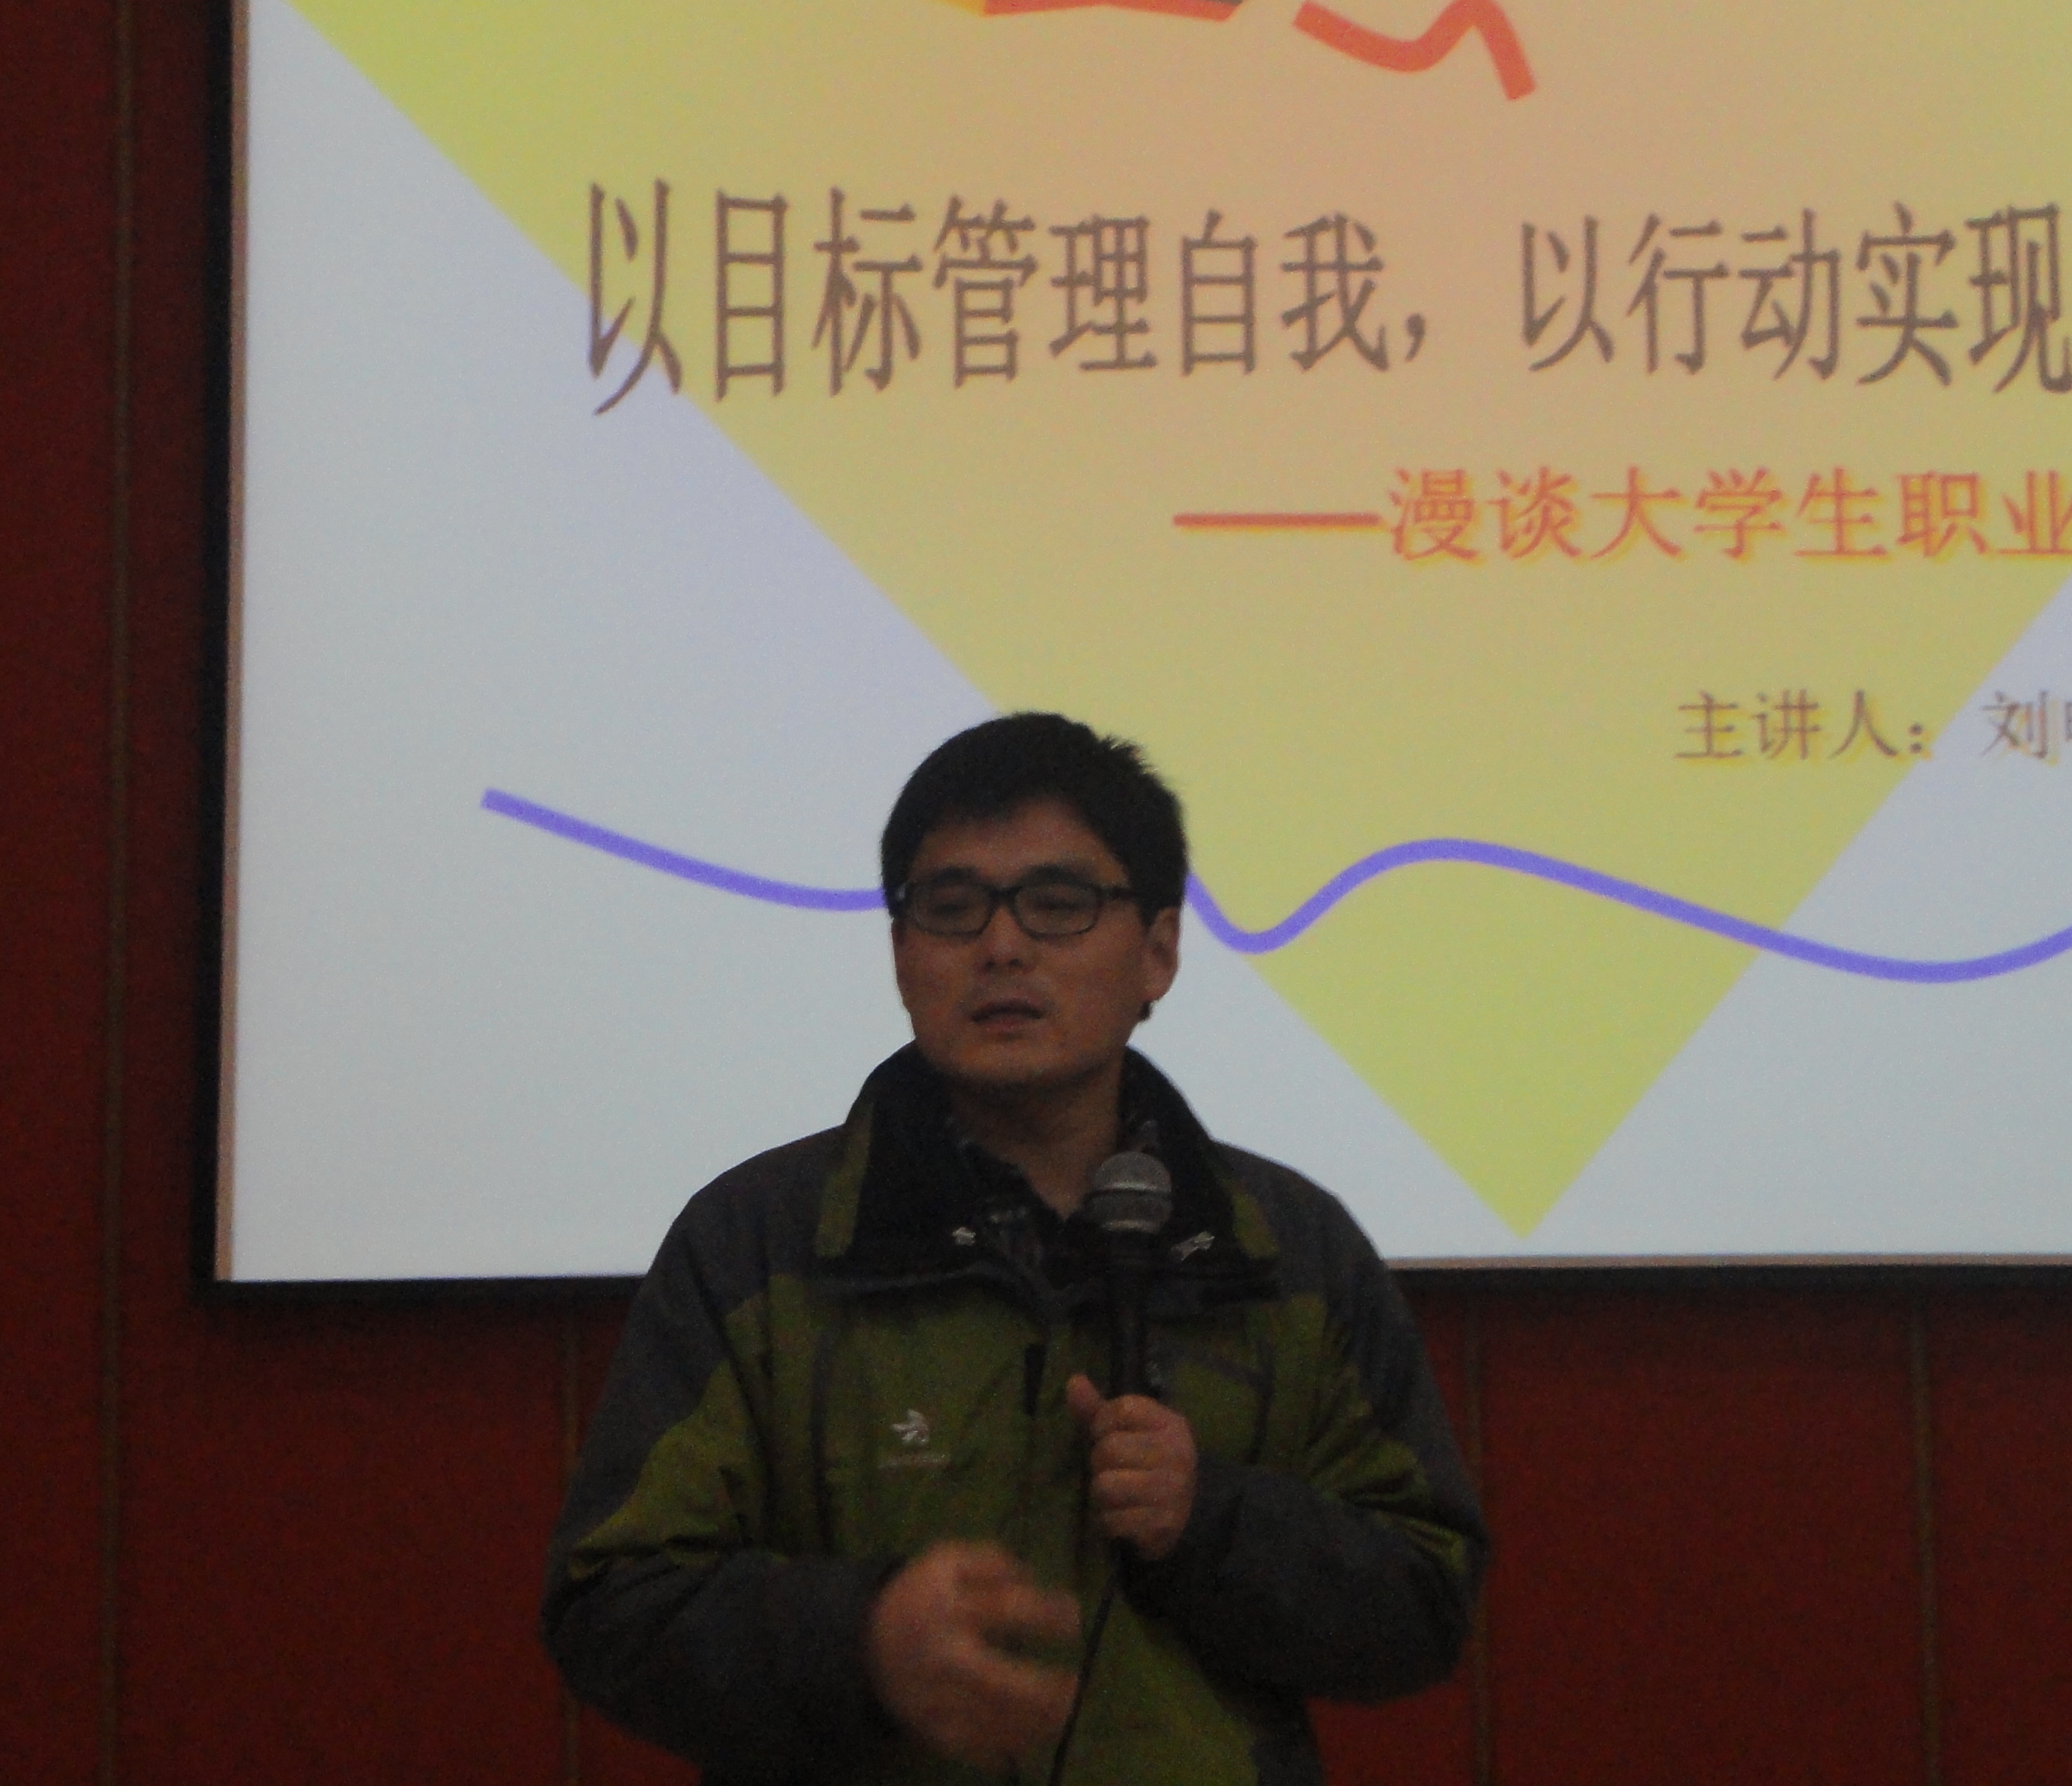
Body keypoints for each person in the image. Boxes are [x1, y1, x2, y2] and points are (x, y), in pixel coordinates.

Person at [544, 713, 1488, 1785]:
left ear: (1159, 952)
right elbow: (610, 1604)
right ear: (901, 953)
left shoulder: (1285, 1251)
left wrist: (1213, 1522)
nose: (1001, 947)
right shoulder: (758, 1243)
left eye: (1058, 904)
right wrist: (858, 1642)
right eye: (952, 909)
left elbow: (1426, 1598)